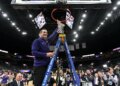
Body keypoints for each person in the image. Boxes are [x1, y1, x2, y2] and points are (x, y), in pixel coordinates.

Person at [31, 20, 65, 86]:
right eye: (43, 32)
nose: (45, 33)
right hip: (39, 67)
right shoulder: (37, 41)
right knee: (38, 84)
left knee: (48, 82)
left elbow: (53, 35)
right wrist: (46, 54)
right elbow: (34, 52)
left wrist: (59, 27)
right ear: (39, 34)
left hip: (46, 66)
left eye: (46, 32)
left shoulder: (46, 41)